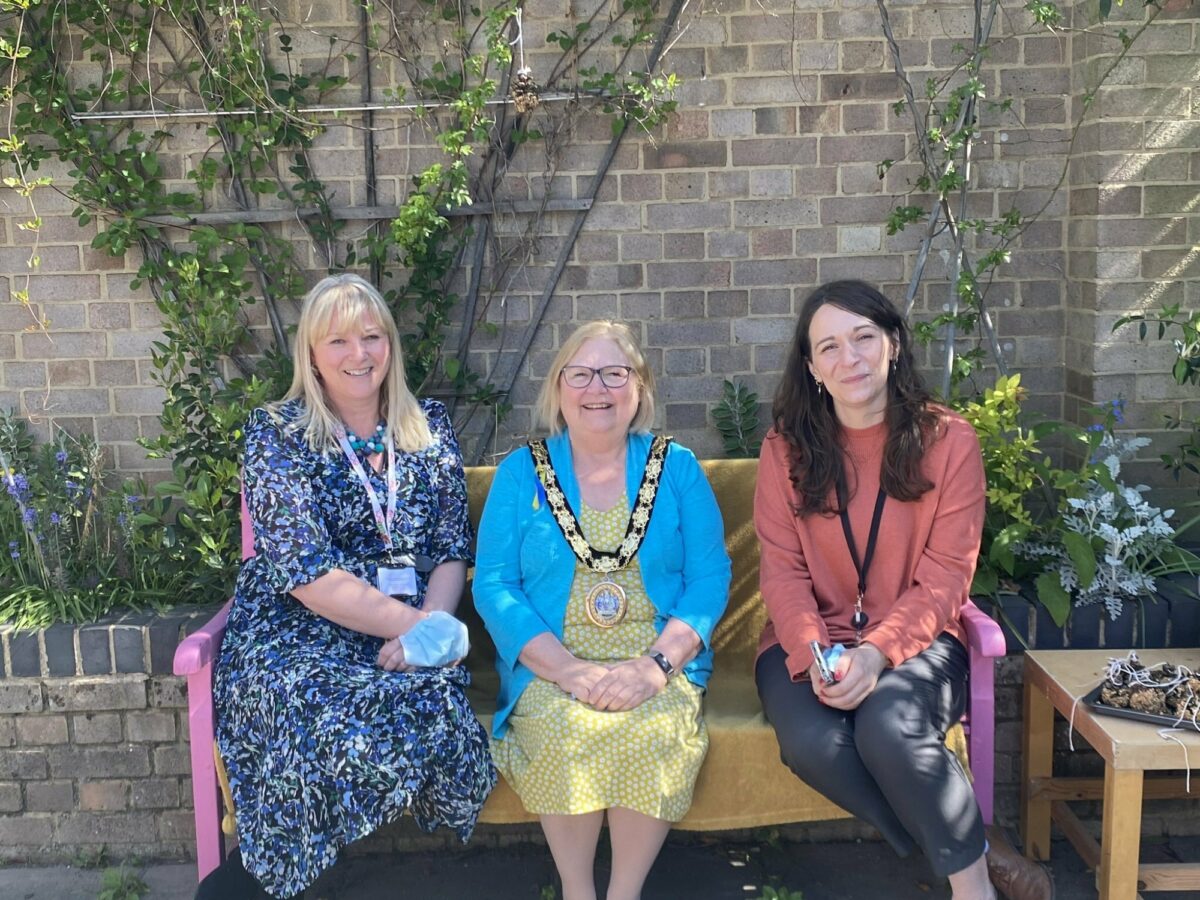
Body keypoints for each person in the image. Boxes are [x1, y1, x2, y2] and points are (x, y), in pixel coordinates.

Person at [200, 273, 496, 899]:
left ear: (390, 343)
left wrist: (433, 633)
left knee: (430, 703)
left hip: (411, 623)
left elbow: (449, 547)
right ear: (311, 354)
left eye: (371, 336)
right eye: (337, 341)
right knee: (303, 707)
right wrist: (418, 628)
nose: (358, 354)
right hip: (294, 625)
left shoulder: (429, 425)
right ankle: (262, 878)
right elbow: (305, 574)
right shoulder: (276, 432)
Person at [753, 281, 1051, 900]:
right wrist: (816, 653)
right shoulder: (784, 452)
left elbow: (948, 576)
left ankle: (974, 889)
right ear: (810, 368)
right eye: (829, 347)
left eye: (863, 337)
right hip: (812, 643)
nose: (850, 359)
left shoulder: (949, 441)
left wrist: (877, 651)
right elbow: (782, 572)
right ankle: (977, 845)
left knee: (889, 725)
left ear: (892, 343)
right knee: (810, 742)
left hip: (918, 640)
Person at [473, 321, 731, 900]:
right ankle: (577, 891)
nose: (599, 388)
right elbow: (494, 586)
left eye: (617, 373)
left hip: (653, 663)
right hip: (552, 667)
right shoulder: (522, 472)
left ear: (639, 387)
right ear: (559, 388)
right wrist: (568, 671)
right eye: (582, 373)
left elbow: (710, 579)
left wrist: (655, 666)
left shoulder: (677, 467)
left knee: (652, 731)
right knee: (566, 732)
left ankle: (624, 893)